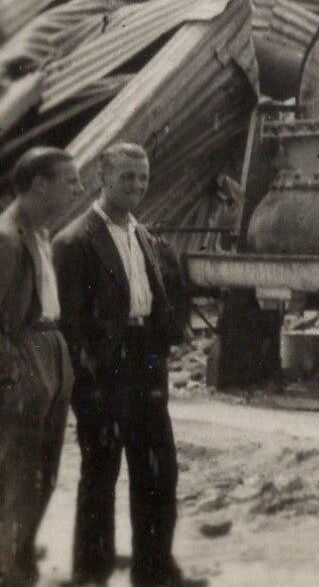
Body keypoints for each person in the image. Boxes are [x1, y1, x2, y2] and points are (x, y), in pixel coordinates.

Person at [51, 143, 200, 587]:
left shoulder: (144, 237)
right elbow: (70, 322)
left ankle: (154, 569)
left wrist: (164, 345)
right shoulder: (75, 241)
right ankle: (91, 572)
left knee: (158, 467)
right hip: (103, 371)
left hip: (145, 362)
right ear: (103, 180)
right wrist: (87, 377)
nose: (137, 186)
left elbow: (157, 299)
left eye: (142, 177)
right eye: (126, 178)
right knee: (101, 470)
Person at [0, 148, 82, 587]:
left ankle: (19, 554)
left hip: (50, 346)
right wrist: (13, 373)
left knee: (42, 466)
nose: (79, 189)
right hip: (24, 351)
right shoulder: (6, 238)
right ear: (38, 185)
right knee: (18, 463)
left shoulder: (38, 233)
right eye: (71, 180)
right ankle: (10, 567)